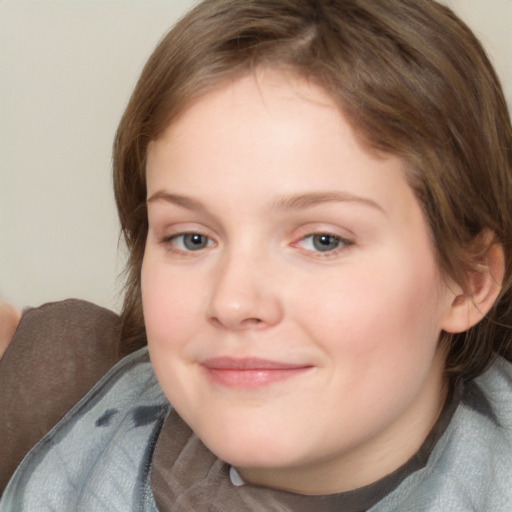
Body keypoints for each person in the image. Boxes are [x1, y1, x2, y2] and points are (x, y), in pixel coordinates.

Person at [1, 0, 512, 510]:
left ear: (470, 281)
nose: (233, 301)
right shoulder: (54, 385)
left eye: (323, 240)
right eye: (192, 238)